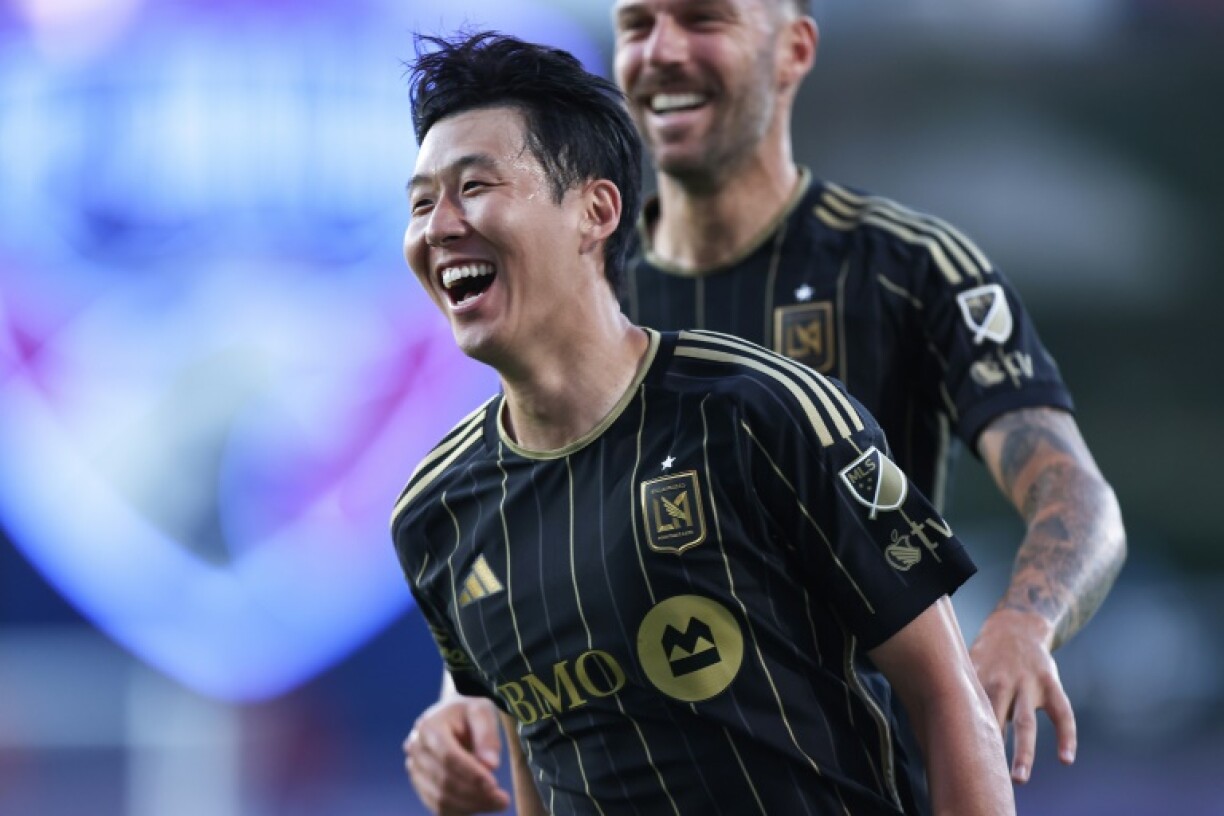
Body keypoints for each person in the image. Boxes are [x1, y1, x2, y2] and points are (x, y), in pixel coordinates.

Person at [403, 0, 1127, 811]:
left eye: (702, 19)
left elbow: (1077, 495)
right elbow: (531, 536)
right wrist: (460, 695)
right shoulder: (553, 286)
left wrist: (1022, 626)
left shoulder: (900, 271)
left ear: (794, 50)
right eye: (637, 25)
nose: (663, 50)